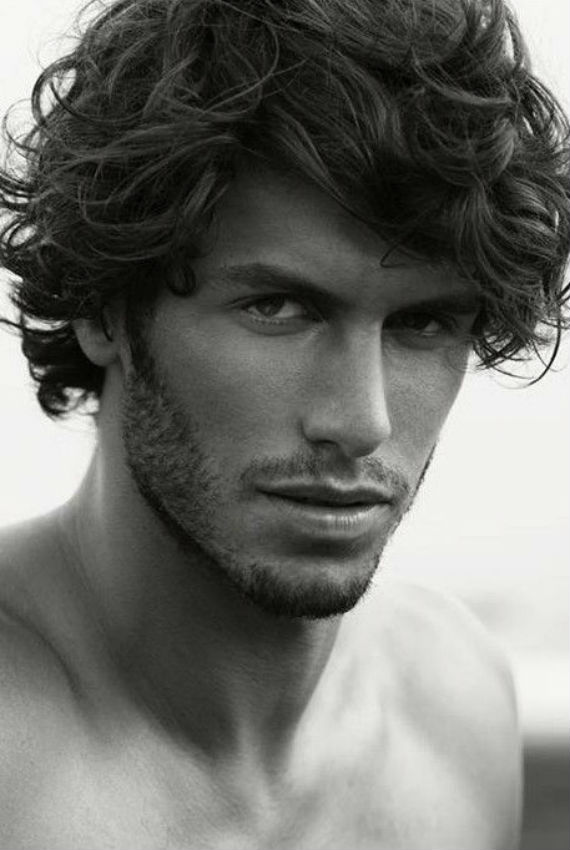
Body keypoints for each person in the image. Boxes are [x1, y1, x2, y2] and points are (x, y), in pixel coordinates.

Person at [0, 0, 568, 846]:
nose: (362, 422)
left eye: (423, 324)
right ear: (104, 310)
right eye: (277, 307)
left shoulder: (457, 707)